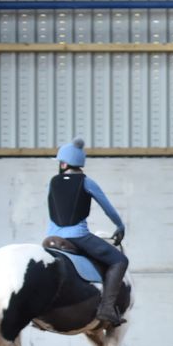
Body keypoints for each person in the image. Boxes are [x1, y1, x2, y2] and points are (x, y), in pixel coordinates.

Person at [46, 138, 129, 327]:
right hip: (78, 237)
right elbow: (108, 208)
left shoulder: (52, 182)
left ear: (64, 163)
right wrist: (120, 226)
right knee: (120, 260)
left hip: (52, 237)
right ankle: (107, 309)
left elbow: (51, 208)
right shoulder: (86, 182)